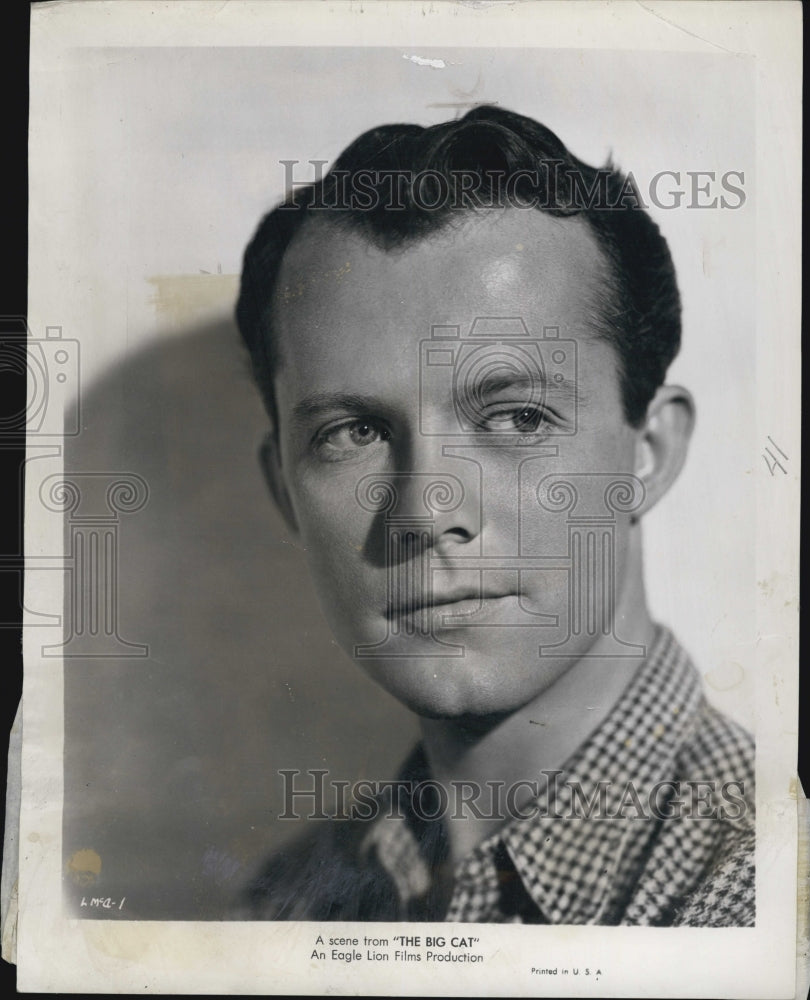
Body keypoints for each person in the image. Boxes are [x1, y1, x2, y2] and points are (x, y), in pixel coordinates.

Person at [233, 106, 754, 926]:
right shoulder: (282, 906)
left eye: (515, 418)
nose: (424, 513)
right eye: (352, 432)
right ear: (283, 492)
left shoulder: (763, 894)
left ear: (646, 452)